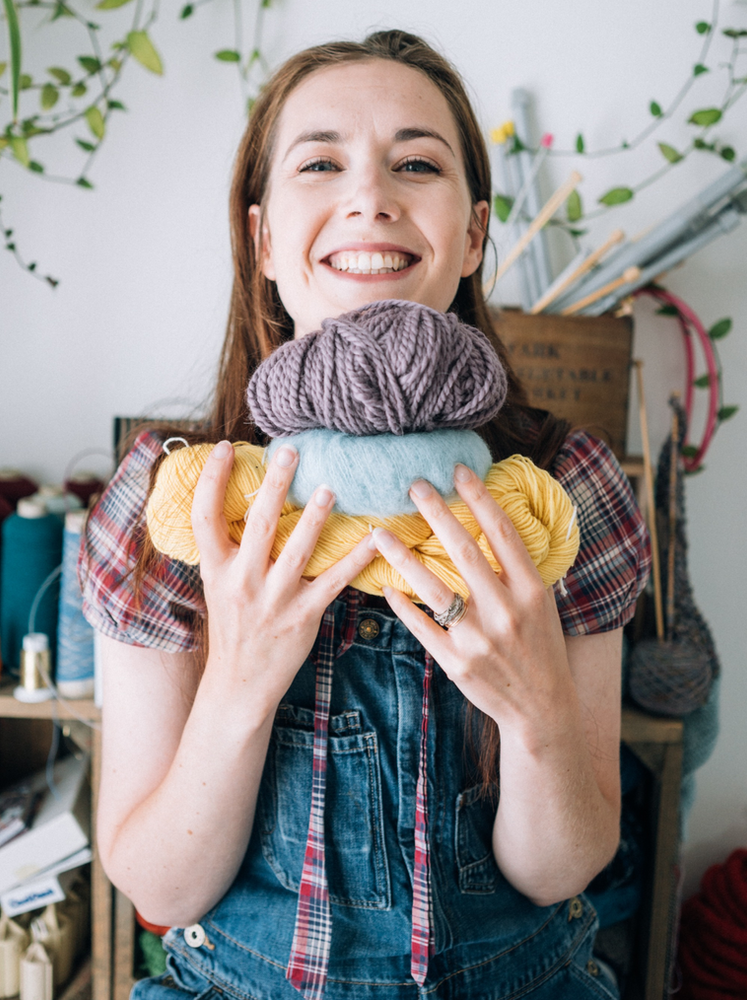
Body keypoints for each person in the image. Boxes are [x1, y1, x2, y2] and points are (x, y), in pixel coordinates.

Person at [81, 30, 650, 1000]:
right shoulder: (175, 499)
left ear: (472, 235)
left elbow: (561, 870)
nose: (370, 195)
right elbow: (162, 888)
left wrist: (537, 705)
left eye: (416, 162)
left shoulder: (564, 486)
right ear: (262, 238)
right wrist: (240, 684)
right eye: (321, 161)